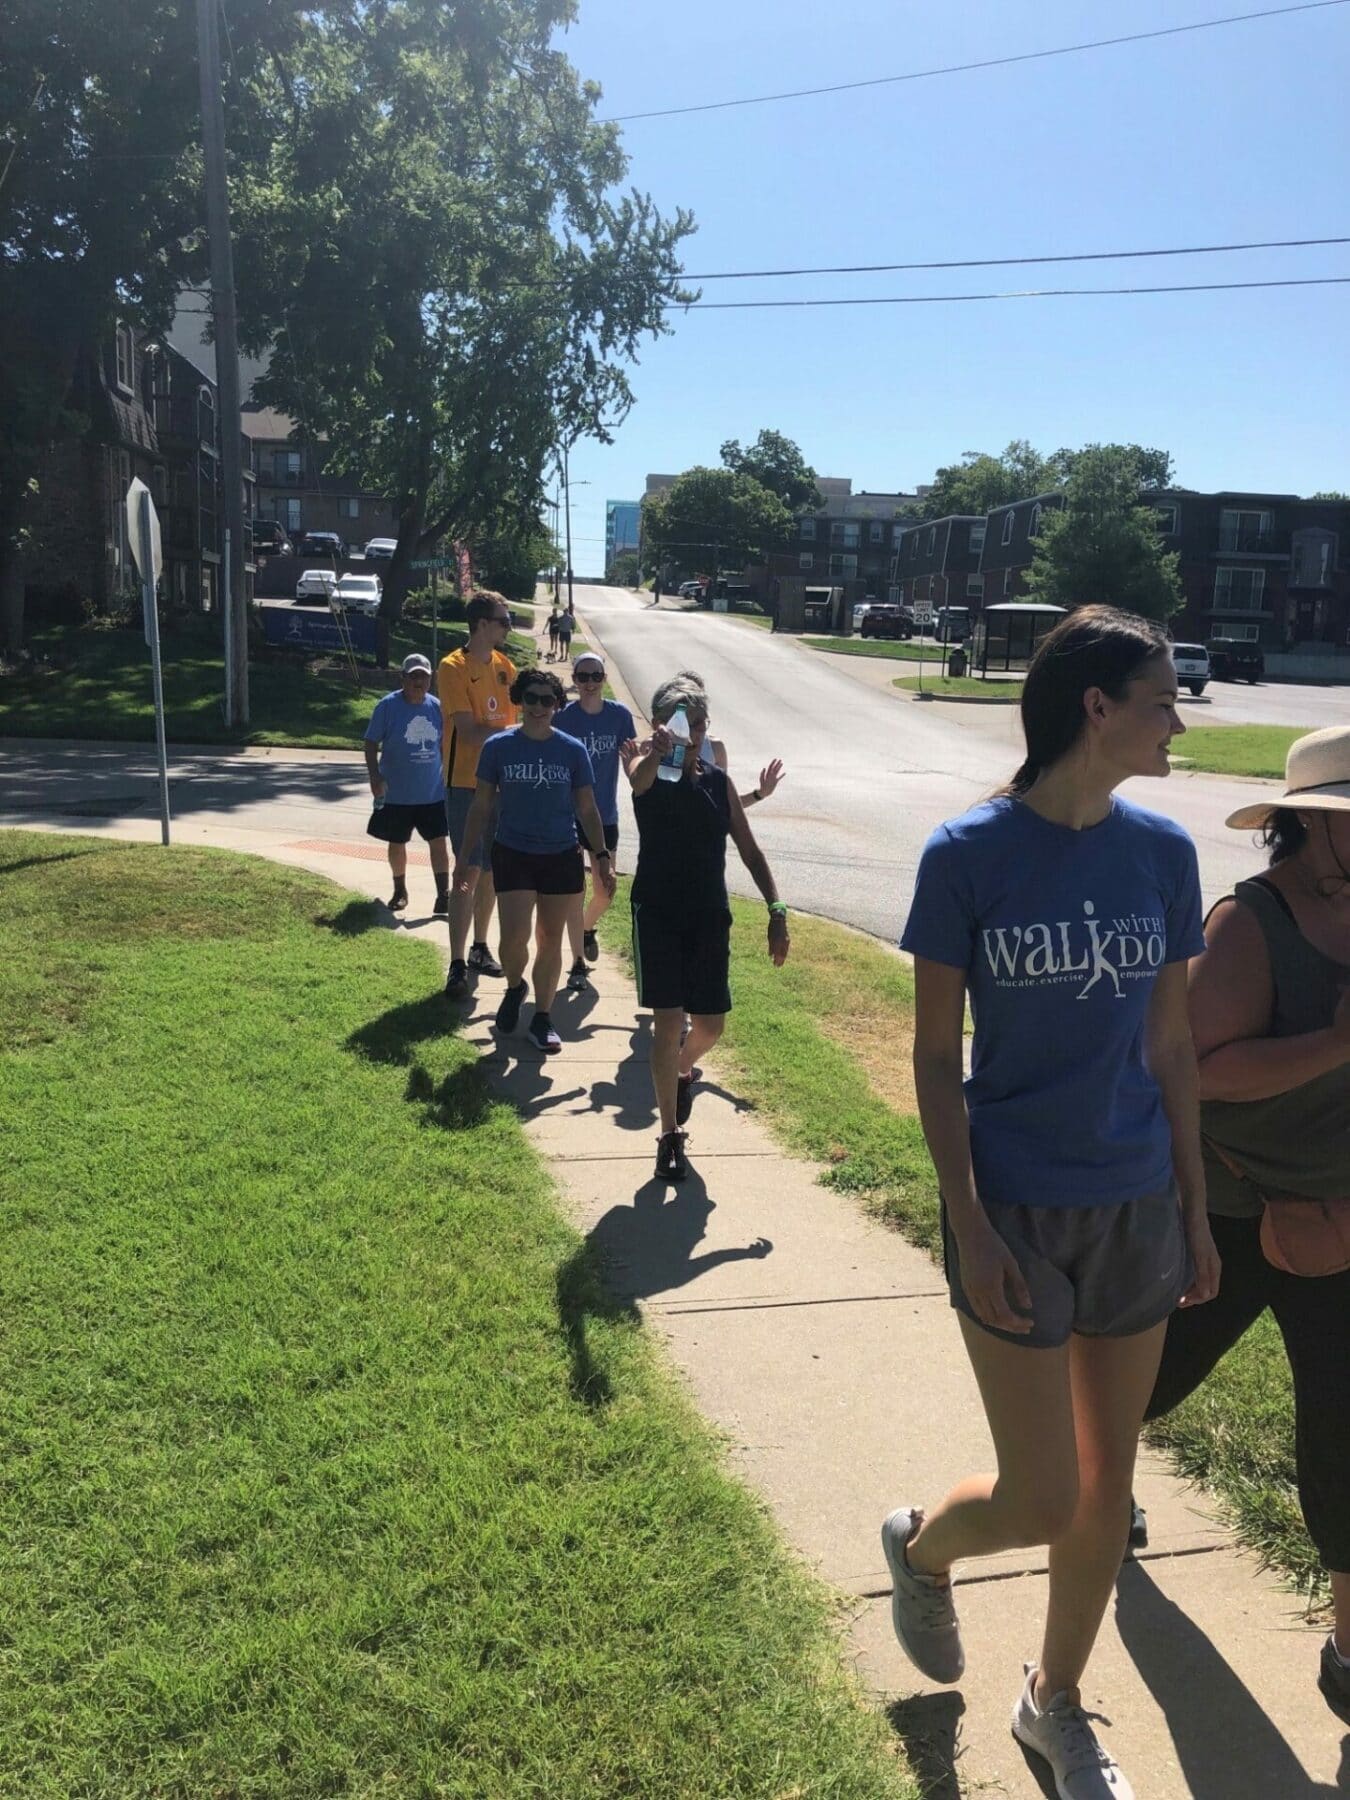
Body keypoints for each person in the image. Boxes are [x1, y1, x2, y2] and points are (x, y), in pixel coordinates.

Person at [888, 606, 1219, 1800]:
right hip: (1016, 1208)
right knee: (1043, 1496)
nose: (1180, 720)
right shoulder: (966, 856)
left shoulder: (1163, 855)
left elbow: (1174, 1048)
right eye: (1164, 698)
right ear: (1098, 707)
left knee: (1108, 1483)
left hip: (1134, 1202)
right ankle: (922, 1551)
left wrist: (1192, 1204)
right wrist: (969, 1222)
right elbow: (935, 1057)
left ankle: (1055, 1706)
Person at [1141, 724, 1350, 1724]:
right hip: (1231, 1210)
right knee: (1149, 1383)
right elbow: (1201, 1073)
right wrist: (1336, 1043)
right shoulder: (1248, 925)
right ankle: (1091, 1499)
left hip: (1342, 1221)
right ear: (1313, 826)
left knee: (1345, 1436)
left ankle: (1349, 1658)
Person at [625, 674, 790, 1183]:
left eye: (698, 724)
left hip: (707, 915)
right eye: (683, 724)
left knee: (712, 1024)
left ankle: (681, 1070)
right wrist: (657, 750)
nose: (693, 733)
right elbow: (638, 780)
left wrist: (776, 909)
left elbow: (748, 847)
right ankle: (669, 1137)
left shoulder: (717, 783)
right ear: (661, 725)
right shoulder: (644, 764)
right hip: (658, 913)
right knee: (668, 1021)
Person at [452, 667, 615, 1055]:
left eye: (548, 700)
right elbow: (481, 805)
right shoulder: (499, 747)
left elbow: (588, 809)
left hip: (560, 853)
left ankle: (542, 1017)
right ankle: (514, 986)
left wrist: (602, 856)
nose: (539, 707)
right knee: (513, 939)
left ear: (557, 705)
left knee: (550, 939)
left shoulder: (572, 750)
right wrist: (462, 857)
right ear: (520, 701)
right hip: (513, 852)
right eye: (532, 699)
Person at [438, 592, 518, 999]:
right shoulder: (453, 667)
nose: (509, 626)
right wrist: (515, 737)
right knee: (467, 869)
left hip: (500, 785)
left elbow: (513, 720)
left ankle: (480, 948)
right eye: (505, 620)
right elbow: (468, 731)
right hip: (465, 784)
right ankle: (455, 962)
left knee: (491, 870)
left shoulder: (506, 668)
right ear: (483, 624)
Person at [555, 651, 636, 991]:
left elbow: (632, 757)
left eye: (595, 676)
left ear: (604, 679)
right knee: (574, 892)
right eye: (582, 676)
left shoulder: (619, 716)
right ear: (574, 680)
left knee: (605, 892)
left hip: (606, 817)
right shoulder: (563, 719)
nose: (589, 682)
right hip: (569, 818)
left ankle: (587, 929)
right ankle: (576, 963)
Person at [362, 653, 449, 915]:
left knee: (439, 841)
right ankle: (400, 890)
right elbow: (370, 742)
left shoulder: (437, 708)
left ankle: (443, 895)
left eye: (423, 676)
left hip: (432, 793)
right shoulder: (387, 706)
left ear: (431, 679)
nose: (418, 681)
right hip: (396, 794)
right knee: (397, 842)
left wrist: (449, 775)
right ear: (403, 678)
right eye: (413, 676)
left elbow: (445, 744)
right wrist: (375, 776)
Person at [678, 668, 785, 810]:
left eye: (698, 701)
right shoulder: (659, 744)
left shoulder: (715, 748)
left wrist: (760, 794)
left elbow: (724, 802)